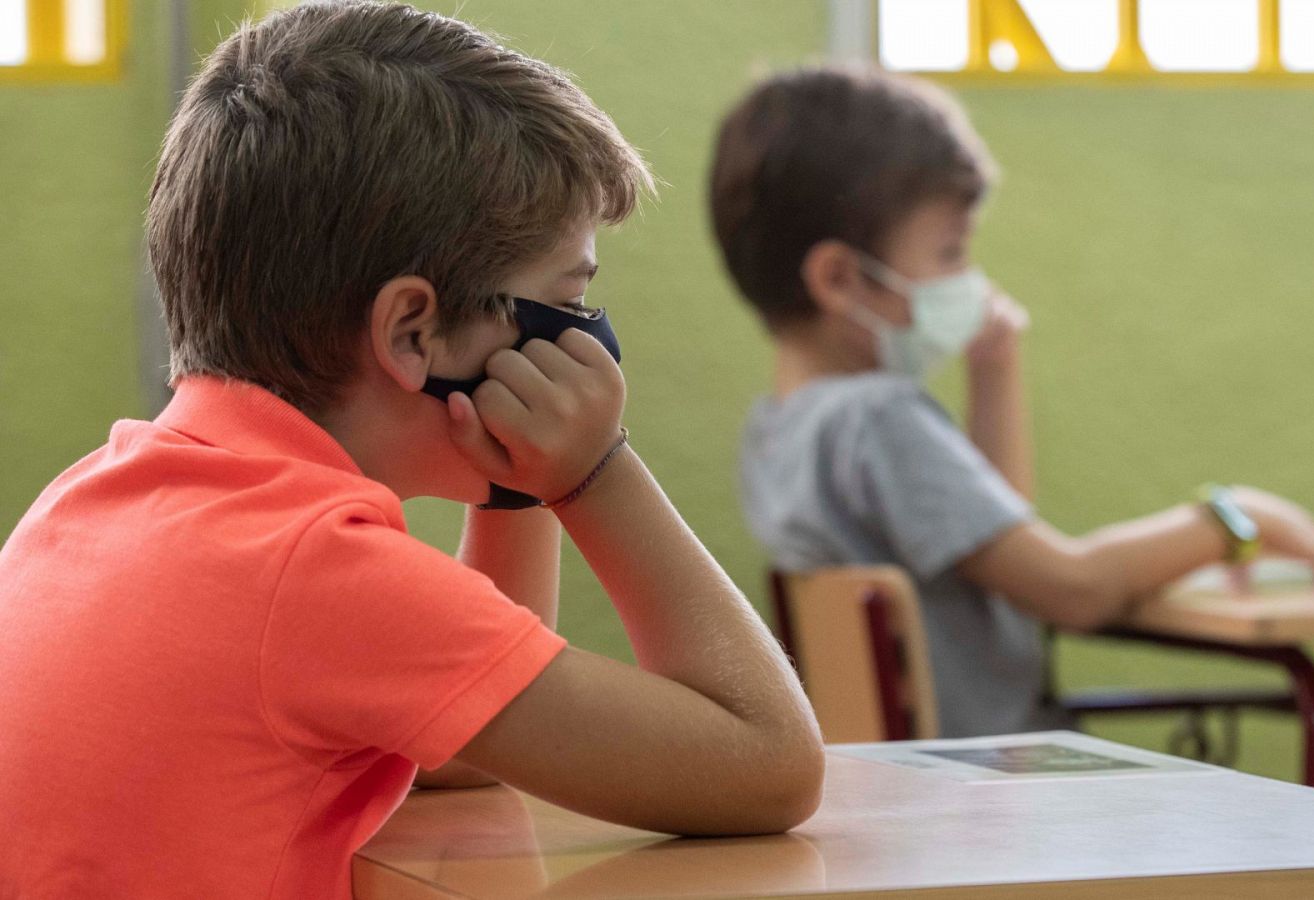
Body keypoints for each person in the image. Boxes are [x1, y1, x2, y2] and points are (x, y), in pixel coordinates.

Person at [0, 4, 822, 897]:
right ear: (411, 332)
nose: (585, 342)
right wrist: (594, 473)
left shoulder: (97, 501)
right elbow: (767, 762)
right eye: (565, 302)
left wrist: (517, 490)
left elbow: (459, 745)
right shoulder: (311, 571)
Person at [709, 66, 1314, 738]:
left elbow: (1000, 550)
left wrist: (994, 370)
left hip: (923, 790)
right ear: (840, 278)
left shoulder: (781, 429)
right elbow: (1069, 589)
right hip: (991, 790)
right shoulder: (877, 418)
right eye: (949, 253)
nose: (967, 280)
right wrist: (1236, 518)